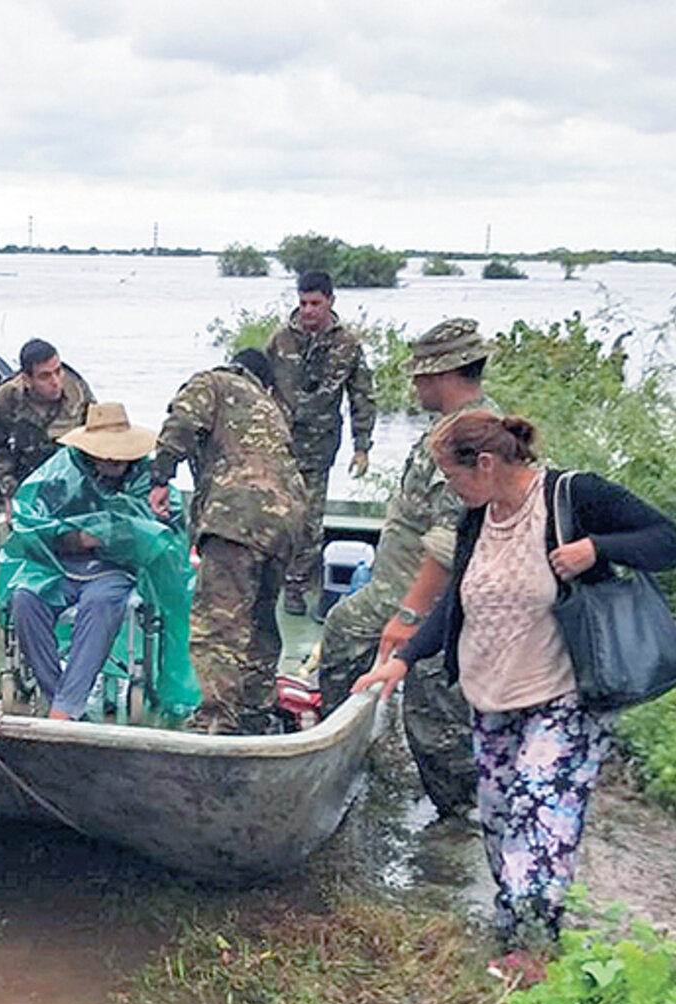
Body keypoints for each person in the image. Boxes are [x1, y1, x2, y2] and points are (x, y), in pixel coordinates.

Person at [353, 409, 676, 982]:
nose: (450, 489)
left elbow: (665, 540)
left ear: (485, 463)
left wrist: (596, 548)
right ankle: (515, 930)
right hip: (491, 696)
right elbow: (459, 599)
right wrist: (402, 660)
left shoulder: (572, 496)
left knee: (540, 811)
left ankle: (533, 951)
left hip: (563, 694)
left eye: (452, 477)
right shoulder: (480, 515)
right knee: (502, 820)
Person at [318, 318, 499, 817]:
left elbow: (447, 543)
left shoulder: (469, 434)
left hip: (431, 601)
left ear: (446, 374)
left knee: (435, 717)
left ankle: (463, 818)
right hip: (400, 590)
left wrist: (411, 616)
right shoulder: (452, 427)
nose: (415, 385)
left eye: (421, 376)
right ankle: (347, 747)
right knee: (343, 638)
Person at [0, 403, 199, 722]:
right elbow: (31, 523)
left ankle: (64, 709)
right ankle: (59, 694)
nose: (113, 460)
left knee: (101, 602)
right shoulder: (59, 473)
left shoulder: (148, 479)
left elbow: (167, 535)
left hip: (114, 570)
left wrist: (122, 533)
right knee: (24, 599)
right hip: (57, 567)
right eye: (105, 453)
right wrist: (79, 537)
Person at [149, 350, 307, 734]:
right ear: (264, 383)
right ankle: (254, 711)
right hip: (288, 519)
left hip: (237, 514)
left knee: (218, 623)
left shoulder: (213, 382)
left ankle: (215, 721)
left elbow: (183, 420)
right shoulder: (270, 408)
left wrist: (160, 475)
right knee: (259, 617)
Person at [266, 271, 375, 615]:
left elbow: (362, 396)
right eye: (303, 303)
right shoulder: (280, 341)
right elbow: (257, 389)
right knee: (275, 520)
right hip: (277, 447)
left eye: (315, 303)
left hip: (319, 447)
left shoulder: (347, 345)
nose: (308, 310)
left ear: (330, 301)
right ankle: (268, 588)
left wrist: (362, 446)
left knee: (310, 523)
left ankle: (298, 590)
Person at [0, 338, 95, 521]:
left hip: (72, 474)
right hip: (28, 473)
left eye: (58, 372)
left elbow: (96, 435)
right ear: (27, 379)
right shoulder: (7, 399)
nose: (56, 381)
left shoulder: (78, 392)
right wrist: (10, 493)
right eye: (45, 376)